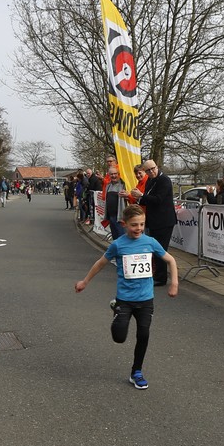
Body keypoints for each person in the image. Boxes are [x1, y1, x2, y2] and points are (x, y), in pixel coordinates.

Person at [74, 204, 179, 389]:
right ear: (124, 224)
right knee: (119, 337)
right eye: (134, 225)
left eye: (142, 224)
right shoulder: (118, 244)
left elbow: (170, 260)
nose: (138, 228)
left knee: (143, 334)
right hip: (125, 298)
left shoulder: (150, 242)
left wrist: (174, 283)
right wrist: (85, 281)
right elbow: (100, 263)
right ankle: (116, 308)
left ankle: (136, 372)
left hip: (146, 298)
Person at [129, 158, 176, 286]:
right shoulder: (150, 180)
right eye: (148, 170)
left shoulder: (164, 180)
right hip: (153, 220)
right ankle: (157, 274)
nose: (151, 172)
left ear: (157, 167)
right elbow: (147, 198)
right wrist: (138, 198)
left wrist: (141, 196)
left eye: (153, 169)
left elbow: (158, 199)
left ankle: (161, 278)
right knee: (154, 248)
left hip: (164, 221)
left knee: (160, 249)